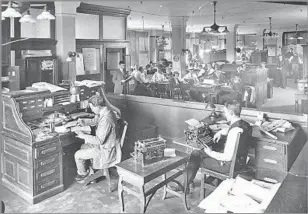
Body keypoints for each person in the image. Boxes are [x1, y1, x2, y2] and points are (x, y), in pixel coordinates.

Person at [183, 100, 252, 192]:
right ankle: (190, 181)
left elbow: (227, 157)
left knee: (196, 156)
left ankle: (186, 185)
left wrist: (210, 152)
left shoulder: (233, 132)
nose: (225, 114)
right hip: (240, 162)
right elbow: (234, 130)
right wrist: (222, 131)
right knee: (198, 153)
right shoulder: (246, 125)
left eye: (226, 112)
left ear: (231, 112)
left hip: (228, 166)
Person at [74, 94, 121, 184]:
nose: (91, 109)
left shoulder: (106, 120)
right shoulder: (106, 111)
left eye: (92, 107)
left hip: (106, 151)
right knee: (83, 146)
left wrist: (82, 135)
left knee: (77, 155)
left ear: (98, 107)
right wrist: (83, 122)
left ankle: (84, 175)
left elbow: (99, 140)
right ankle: (91, 173)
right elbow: (95, 121)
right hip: (107, 146)